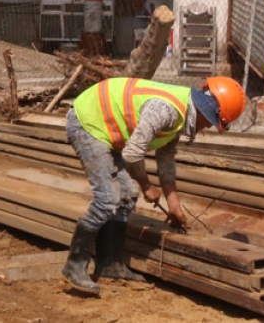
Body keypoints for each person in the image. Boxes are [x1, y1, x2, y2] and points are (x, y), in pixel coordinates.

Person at [62, 76, 246, 295]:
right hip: (88, 123)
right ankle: (74, 266)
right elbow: (132, 154)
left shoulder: (181, 113)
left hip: (110, 129)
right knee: (108, 197)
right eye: (213, 122)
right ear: (208, 111)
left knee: (128, 195)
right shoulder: (166, 110)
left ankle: (110, 264)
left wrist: (173, 201)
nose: (209, 127)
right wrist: (147, 186)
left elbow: (165, 157)